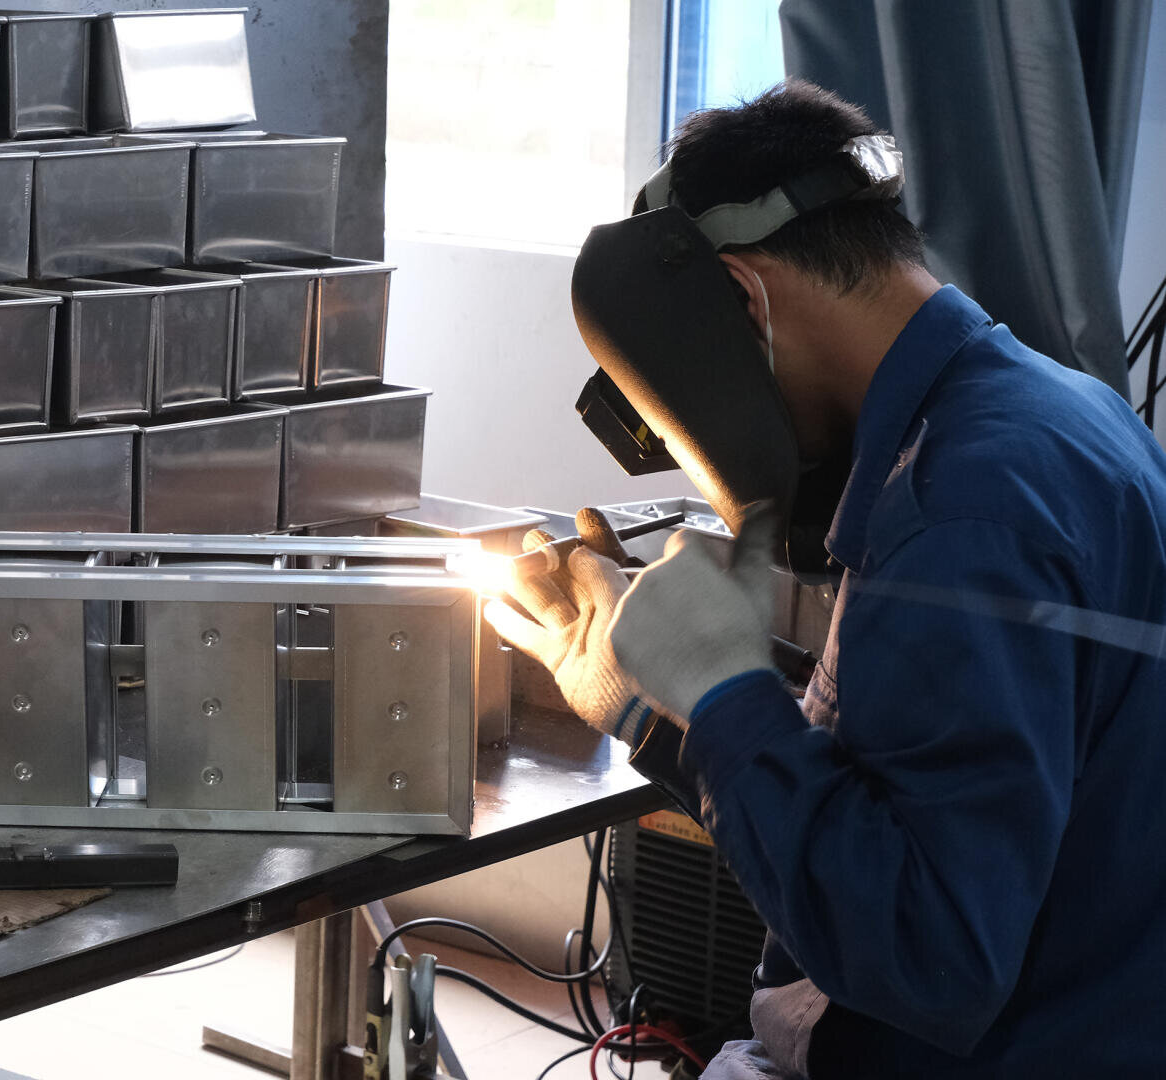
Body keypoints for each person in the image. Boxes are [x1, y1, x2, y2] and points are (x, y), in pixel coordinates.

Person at [485, 80, 1166, 1077]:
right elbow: (902, 788)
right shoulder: (1042, 414)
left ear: (740, 300)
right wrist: (654, 707)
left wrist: (725, 696)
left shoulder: (958, 512)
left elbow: (928, 958)